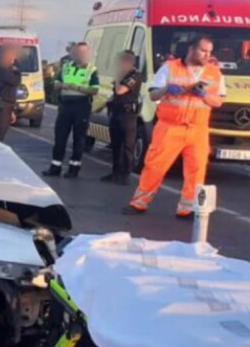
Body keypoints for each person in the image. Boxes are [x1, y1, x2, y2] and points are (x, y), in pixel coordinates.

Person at [124, 36, 225, 218]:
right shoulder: (170, 68)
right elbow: (154, 95)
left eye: (210, 52)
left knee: (196, 169)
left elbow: (218, 101)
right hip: (170, 127)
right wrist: (167, 89)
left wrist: (203, 94)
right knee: (154, 166)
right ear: (191, 49)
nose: (207, 55)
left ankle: (187, 208)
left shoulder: (215, 73)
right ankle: (139, 203)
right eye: (203, 51)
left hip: (198, 129)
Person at [43, 42, 99, 178]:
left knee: (79, 138)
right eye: (78, 52)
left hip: (81, 106)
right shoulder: (66, 67)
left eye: (83, 53)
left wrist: (76, 87)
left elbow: (95, 89)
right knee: (60, 136)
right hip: (65, 106)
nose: (80, 55)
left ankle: (74, 169)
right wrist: (61, 85)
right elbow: (56, 84)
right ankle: (55, 167)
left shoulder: (91, 69)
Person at [101, 51, 143, 184]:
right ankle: (115, 172)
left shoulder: (135, 76)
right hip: (117, 112)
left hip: (128, 115)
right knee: (115, 144)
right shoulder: (124, 75)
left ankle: (125, 175)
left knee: (127, 146)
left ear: (129, 63)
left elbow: (120, 90)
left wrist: (118, 78)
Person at [0, 43, 22, 142]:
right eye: (12, 55)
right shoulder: (2, 68)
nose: (14, 58)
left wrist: (11, 111)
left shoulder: (5, 68)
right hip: (2, 106)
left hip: (5, 106)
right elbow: (16, 80)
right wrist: (17, 71)